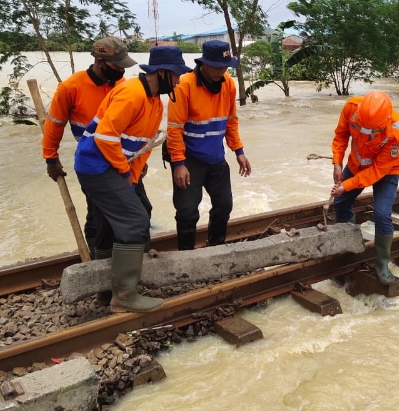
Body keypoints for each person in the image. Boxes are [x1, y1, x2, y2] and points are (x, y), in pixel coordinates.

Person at [74, 46, 191, 313]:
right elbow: (105, 137)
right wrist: (124, 173)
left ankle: (105, 291)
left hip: (109, 167)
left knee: (108, 223)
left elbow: (140, 146)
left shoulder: (152, 100)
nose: (179, 81)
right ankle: (124, 296)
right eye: (175, 76)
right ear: (161, 73)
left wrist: (132, 177)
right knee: (135, 220)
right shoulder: (132, 94)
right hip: (97, 166)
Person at [42, 37, 148, 258]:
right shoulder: (71, 88)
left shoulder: (123, 86)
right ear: (100, 62)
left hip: (123, 161)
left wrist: (141, 161)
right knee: (98, 215)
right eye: (116, 66)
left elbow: (137, 129)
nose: (121, 70)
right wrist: (51, 158)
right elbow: (55, 125)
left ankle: (132, 258)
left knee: (141, 208)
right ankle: (99, 260)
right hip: (94, 165)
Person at [165, 40, 252, 250]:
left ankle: (215, 247)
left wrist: (238, 151)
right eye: (217, 67)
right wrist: (178, 163)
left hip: (215, 156)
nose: (221, 72)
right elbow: (174, 129)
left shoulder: (228, 84)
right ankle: (186, 254)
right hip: (189, 159)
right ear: (203, 64)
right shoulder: (183, 85)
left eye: (225, 67)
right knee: (187, 211)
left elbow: (231, 120)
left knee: (224, 206)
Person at [330, 90, 399, 286]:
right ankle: (350, 244)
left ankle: (382, 263)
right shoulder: (351, 107)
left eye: (371, 131)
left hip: (386, 171)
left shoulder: (398, 133)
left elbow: (376, 172)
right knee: (340, 203)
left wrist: (346, 185)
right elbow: (341, 135)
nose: (365, 134)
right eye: (362, 128)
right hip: (357, 165)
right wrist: (337, 162)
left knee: (382, 214)